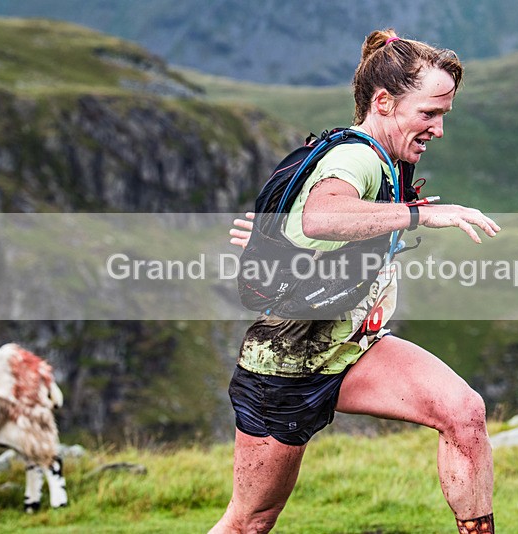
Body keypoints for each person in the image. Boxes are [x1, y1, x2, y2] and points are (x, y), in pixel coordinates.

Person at [212, 29, 500, 534]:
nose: (438, 129)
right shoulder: (360, 156)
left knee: (464, 413)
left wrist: (279, 247)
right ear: (384, 102)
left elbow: (316, 233)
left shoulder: (388, 161)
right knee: (250, 522)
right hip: (287, 363)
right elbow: (322, 217)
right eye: (429, 114)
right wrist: (416, 216)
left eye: (443, 115)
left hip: (357, 347)